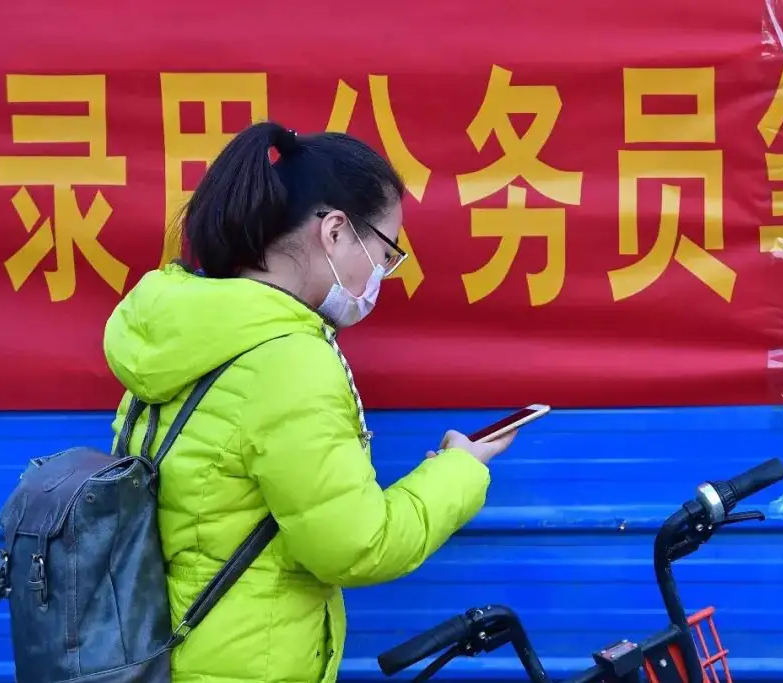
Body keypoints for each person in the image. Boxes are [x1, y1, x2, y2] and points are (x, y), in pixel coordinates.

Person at [102, 121, 515, 683]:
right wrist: (459, 471)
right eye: (386, 252)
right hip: (250, 667)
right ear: (336, 231)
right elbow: (357, 546)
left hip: (163, 652)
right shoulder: (289, 360)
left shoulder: (180, 329)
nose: (382, 274)